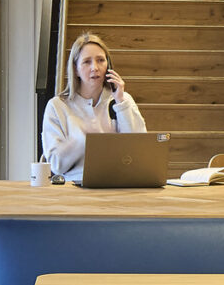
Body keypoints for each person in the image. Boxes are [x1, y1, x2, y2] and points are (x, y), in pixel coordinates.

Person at [39, 32, 145, 180]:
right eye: (87, 62)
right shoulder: (57, 106)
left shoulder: (122, 99)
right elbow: (56, 165)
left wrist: (121, 104)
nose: (95, 67)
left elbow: (139, 150)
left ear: (108, 65)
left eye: (100, 60)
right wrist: (81, 139)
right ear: (76, 69)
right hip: (75, 184)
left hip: (117, 182)